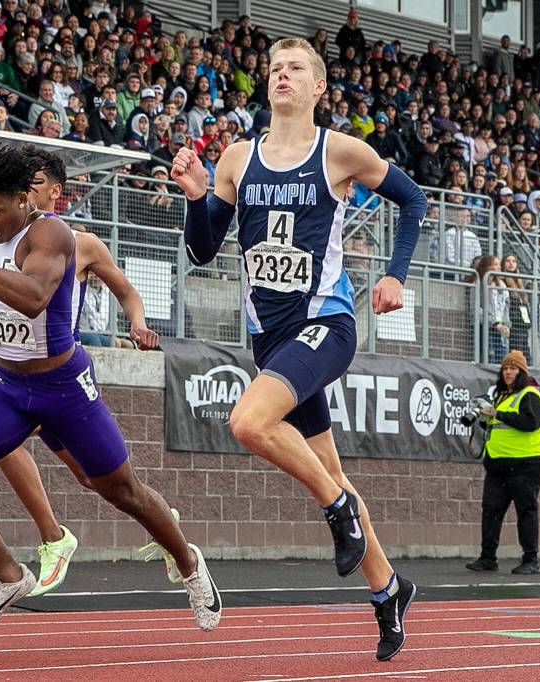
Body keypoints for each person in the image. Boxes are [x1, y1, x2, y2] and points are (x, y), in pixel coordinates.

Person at [172, 37, 424, 662]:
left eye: (295, 69)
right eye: (274, 68)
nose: (282, 76)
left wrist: (395, 275)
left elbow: (413, 200)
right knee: (329, 469)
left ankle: (339, 511)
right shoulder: (236, 157)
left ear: (318, 87)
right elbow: (204, 251)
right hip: (270, 337)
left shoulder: (339, 151)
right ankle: (389, 588)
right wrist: (196, 196)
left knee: (248, 422)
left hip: (325, 324)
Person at [0, 143, 220, 636]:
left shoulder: (54, 234)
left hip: (64, 387)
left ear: (23, 199)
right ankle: (7, 577)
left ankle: (188, 562)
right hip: (9, 384)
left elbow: (34, 298)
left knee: (122, 491)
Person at [0, 146, 160, 597]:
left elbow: (125, 290)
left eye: (35, 186)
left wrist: (137, 323)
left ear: (53, 192)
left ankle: (149, 520)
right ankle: (53, 537)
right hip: (12, 373)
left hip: (61, 376)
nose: (27, 194)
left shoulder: (78, 242)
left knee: (93, 478)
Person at [466, 350, 540, 575]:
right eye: (505, 368)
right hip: (498, 466)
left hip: (526, 464)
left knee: (526, 512)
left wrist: (497, 414)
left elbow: (530, 422)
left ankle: (531, 560)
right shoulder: (502, 397)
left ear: (521, 372)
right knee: (490, 511)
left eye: (513, 368)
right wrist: (484, 419)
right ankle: (487, 558)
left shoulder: (530, 395)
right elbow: (496, 428)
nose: (508, 372)